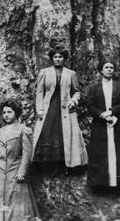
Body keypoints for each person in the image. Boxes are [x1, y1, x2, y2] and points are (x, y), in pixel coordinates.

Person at [0, 99, 42, 221]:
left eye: (9, 112)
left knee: (17, 203)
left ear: (16, 113)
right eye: (4, 112)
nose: (6, 115)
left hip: (14, 171)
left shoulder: (24, 130)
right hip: (0, 173)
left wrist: (22, 171)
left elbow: (27, 153)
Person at [32, 45, 88, 173]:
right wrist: (39, 109)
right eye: (55, 57)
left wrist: (73, 101)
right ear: (52, 58)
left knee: (65, 135)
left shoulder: (70, 73)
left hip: (65, 110)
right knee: (47, 134)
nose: (58, 59)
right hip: (49, 109)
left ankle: (65, 165)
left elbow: (76, 91)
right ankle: (47, 166)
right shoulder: (44, 72)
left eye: (60, 57)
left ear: (64, 59)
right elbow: (39, 92)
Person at [87, 59, 120, 192]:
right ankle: (100, 185)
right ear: (101, 70)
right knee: (100, 154)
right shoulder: (94, 87)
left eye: (111, 67)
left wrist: (112, 113)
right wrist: (102, 115)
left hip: (117, 124)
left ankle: (118, 185)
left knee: (118, 153)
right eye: (106, 67)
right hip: (100, 126)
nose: (109, 69)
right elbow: (90, 105)